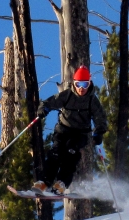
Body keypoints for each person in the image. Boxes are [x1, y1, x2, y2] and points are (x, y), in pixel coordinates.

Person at [32, 65, 108, 195]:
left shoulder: (92, 100)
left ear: (89, 83)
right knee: (56, 152)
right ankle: (44, 182)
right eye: (79, 84)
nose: (81, 88)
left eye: (85, 84)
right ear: (74, 83)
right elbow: (49, 102)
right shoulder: (67, 95)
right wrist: (43, 110)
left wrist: (99, 132)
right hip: (63, 130)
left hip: (80, 134)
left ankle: (61, 183)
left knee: (71, 152)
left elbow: (100, 118)